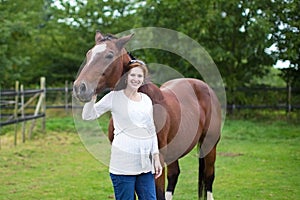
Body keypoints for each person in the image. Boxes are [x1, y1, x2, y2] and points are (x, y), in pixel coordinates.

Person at [81, 60, 162, 200]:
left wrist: (155, 157)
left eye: (139, 76)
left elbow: (151, 129)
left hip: (145, 165)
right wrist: (91, 98)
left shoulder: (146, 100)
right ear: (126, 77)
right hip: (123, 166)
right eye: (133, 75)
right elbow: (88, 116)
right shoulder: (114, 97)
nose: (136, 79)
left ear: (143, 80)